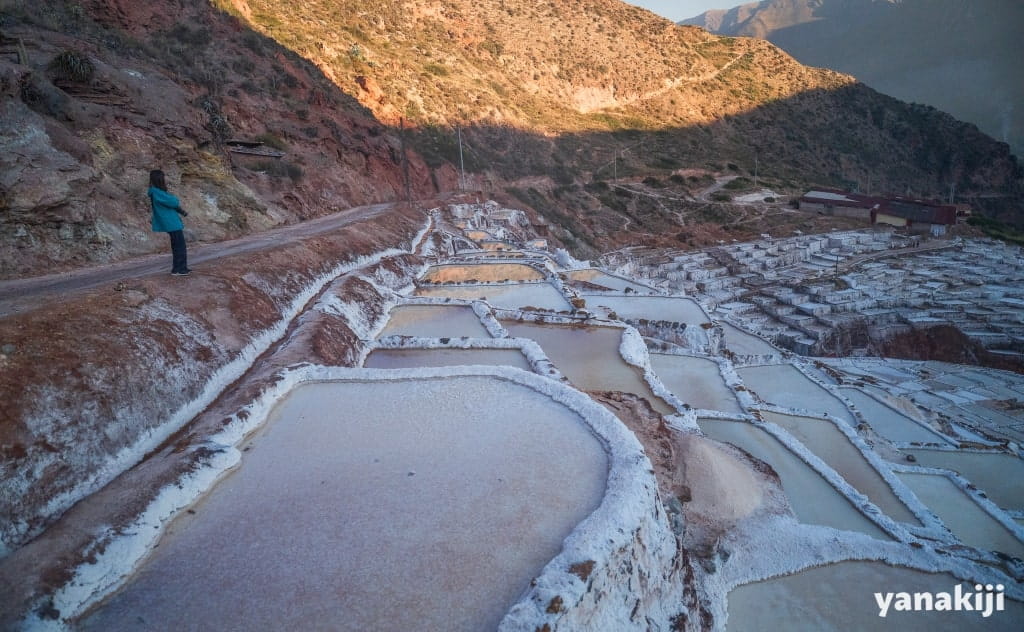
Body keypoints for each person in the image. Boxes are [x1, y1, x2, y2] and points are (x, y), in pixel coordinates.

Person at [148, 169, 191, 276]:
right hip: (171, 223)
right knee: (179, 246)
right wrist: (174, 199)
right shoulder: (156, 192)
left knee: (177, 246)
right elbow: (174, 202)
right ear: (159, 179)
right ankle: (180, 269)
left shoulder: (156, 192)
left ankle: (178, 268)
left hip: (170, 222)